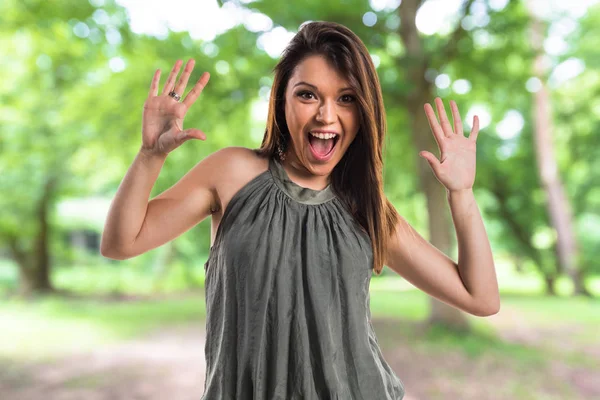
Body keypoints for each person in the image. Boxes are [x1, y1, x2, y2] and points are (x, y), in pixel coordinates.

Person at [101, 21, 499, 400]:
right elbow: (121, 243)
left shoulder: (368, 208)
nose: (326, 115)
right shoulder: (231, 173)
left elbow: (480, 298)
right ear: (282, 101)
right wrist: (150, 156)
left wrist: (461, 194)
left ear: (363, 112)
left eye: (346, 98)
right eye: (308, 94)